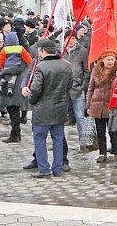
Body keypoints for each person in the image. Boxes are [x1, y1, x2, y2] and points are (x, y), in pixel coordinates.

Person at [22, 39, 72, 178]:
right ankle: (57, 168)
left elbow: (36, 89)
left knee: (40, 139)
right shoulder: (66, 65)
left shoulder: (41, 66)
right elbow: (69, 85)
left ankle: (44, 169)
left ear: (43, 51)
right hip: (60, 108)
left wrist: (30, 97)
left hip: (42, 109)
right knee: (58, 139)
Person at [86, 50, 117, 163]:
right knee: (100, 131)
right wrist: (88, 105)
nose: (110, 62)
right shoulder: (96, 71)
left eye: (112, 59)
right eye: (108, 59)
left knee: (112, 131)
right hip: (97, 104)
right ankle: (102, 152)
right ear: (103, 60)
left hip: (111, 104)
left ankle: (115, 151)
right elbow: (91, 88)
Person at [62, 29, 90, 139]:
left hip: (77, 88)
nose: (70, 41)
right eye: (68, 39)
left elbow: (87, 71)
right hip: (63, 89)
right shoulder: (61, 52)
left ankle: (84, 142)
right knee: (61, 117)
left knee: (80, 116)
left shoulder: (82, 51)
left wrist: (82, 86)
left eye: (72, 38)